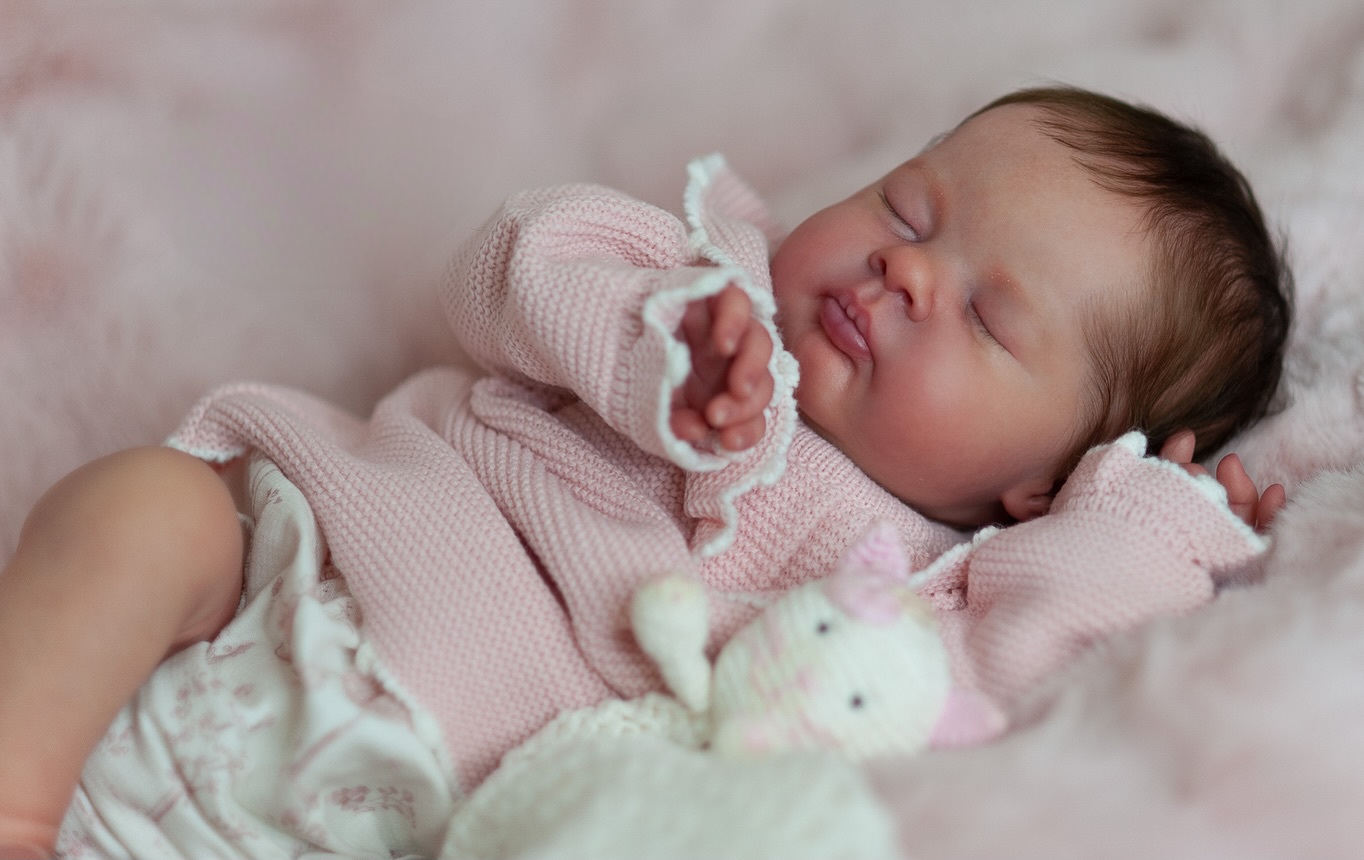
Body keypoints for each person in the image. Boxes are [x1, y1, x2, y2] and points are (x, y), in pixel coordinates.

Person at [0, 86, 1292, 858]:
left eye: (988, 318)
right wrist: (656, 352)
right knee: (144, 508)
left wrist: (1145, 535)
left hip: (425, 803)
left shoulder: (916, 594)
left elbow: (1020, 667)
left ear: (1041, 486)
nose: (905, 270)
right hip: (299, 571)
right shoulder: (703, 282)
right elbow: (507, 268)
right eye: (908, 209)